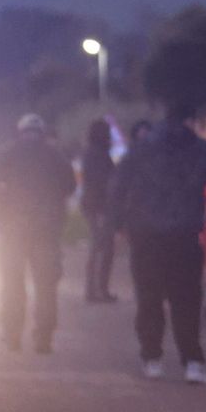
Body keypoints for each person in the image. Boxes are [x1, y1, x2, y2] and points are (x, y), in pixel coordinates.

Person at [110, 104, 206, 383]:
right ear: (191, 120)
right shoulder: (203, 150)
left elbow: (118, 188)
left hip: (145, 235)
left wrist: (117, 225)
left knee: (149, 298)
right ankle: (192, 361)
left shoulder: (140, 149)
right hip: (185, 235)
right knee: (187, 300)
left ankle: (152, 357)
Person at [0, 113, 75, 354]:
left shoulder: (7, 153)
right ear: (42, 132)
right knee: (46, 286)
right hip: (47, 230)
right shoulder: (54, 155)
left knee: (13, 284)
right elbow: (70, 185)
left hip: (13, 229)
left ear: (20, 131)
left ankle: (13, 336)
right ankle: (43, 339)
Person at [79, 119, 118, 303]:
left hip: (94, 205)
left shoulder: (93, 153)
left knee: (100, 248)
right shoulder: (99, 154)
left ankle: (95, 289)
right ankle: (97, 289)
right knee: (102, 248)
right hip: (99, 206)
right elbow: (103, 182)